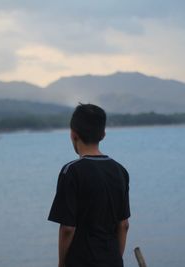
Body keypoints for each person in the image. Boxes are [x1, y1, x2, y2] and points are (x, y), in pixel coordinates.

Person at [48, 103, 130, 267]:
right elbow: (124, 225)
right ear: (103, 135)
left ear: (73, 135)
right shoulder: (120, 171)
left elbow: (67, 229)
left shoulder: (71, 172)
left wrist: (61, 264)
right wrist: (116, 259)